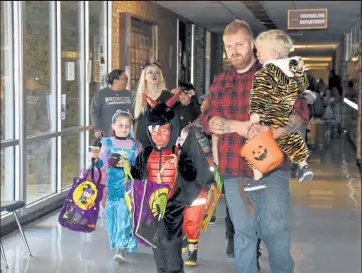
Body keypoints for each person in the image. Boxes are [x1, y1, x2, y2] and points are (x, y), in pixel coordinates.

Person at [200, 19, 309, 273]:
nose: (234, 51)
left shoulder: (275, 72)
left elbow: (301, 109)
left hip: (272, 168)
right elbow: (207, 120)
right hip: (233, 169)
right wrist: (237, 126)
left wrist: (275, 131)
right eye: (229, 46)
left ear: (252, 44)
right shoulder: (220, 82)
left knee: (274, 230)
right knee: (243, 233)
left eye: (240, 44)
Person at [120, 90, 202, 273]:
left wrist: (180, 163)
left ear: (171, 129)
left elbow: (191, 175)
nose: (157, 134)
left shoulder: (179, 151)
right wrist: (124, 166)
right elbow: (136, 174)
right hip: (152, 206)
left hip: (173, 205)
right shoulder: (146, 153)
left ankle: (174, 270)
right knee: (156, 242)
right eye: (153, 130)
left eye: (163, 129)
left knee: (172, 243)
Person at [247, 30, 313, 183]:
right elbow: (302, 87)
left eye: (260, 51)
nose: (257, 54)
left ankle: (257, 178)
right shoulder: (294, 68)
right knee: (290, 137)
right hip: (286, 112)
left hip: (269, 113)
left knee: (255, 141)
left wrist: (255, 112)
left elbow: (259, 93)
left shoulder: (265, 73)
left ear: (274, 54)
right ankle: (304, 165)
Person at [91, 110, 138, 262]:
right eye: (120, 125)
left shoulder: (134, 145)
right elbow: (101, 165)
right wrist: (95, 159)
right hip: (112, 187)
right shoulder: (107, 143)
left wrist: (131, 167)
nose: (124, 129)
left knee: (124, 214)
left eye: (127, 126)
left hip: (129, 187)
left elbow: (139, 167)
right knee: (114, 216)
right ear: (113, 126)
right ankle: (123, 240)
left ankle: (121, 246)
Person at [133, 60, 173, 148]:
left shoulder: (167, 95)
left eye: (157, 73)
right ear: (145, 77)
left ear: (160, 77)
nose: (154, 75)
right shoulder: (138, 97)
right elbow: (132, 120)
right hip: (143, 141)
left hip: (162, 139)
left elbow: (173, 119)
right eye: (150, 73)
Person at [90, 69, 134, 138]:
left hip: (127, 134)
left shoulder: (130, 94)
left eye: (127, 78)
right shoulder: (101, 94)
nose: (127, 81)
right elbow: (94, 112)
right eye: (124, 78)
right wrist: (97, 129)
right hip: (108, 135)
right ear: (115, 81)